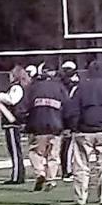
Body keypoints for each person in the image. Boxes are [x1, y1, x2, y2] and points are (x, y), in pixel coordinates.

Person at [65, 60, 102, 205]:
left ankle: (80, 198)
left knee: (81, 166)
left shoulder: (80, 89)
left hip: (83, 131)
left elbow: (72, 110)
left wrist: (74, 127)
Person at [24, 64, 68, 192]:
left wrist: (23, 121)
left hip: (38, 126)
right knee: (53, 155)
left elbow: (25, 106)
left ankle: (40, 173)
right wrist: (67, 124)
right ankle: (51, 179)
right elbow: (67, 106)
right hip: (56, 126)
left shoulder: (33, 87)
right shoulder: (60, 87)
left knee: (35, 153)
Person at [0, 66, 30, 183]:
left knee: (15, 150)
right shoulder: (17, 87)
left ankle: (17, 176)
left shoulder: (16, 88)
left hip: (13, 122)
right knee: (14, 150)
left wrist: (0, 95)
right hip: (12, 122)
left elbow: (12, 100)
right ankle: (17, 174)